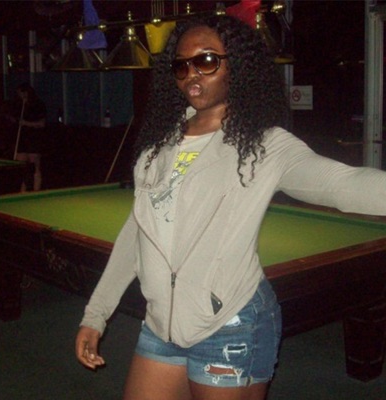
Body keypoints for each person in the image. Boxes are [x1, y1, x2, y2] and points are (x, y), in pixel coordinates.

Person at [75, 15, 386, 400]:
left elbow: (343, 185)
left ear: (235, 66)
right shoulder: (159, 146)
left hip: (231, 325)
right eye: (182, 65)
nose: (192, 74)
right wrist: (96, 313)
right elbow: (136, 235)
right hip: (160, 325)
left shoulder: (263, 145)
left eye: (206, 61)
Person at [14, 83, 46, 191]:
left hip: (34, 139)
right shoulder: (19, 105)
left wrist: (26, 123)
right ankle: (22, 191)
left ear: (26, 92)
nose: (19, 95)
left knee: (35, 167)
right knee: (21, 167)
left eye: (21, 93)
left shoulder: (38, 105)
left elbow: (41, 124)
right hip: (23, 139)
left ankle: (36, 191)